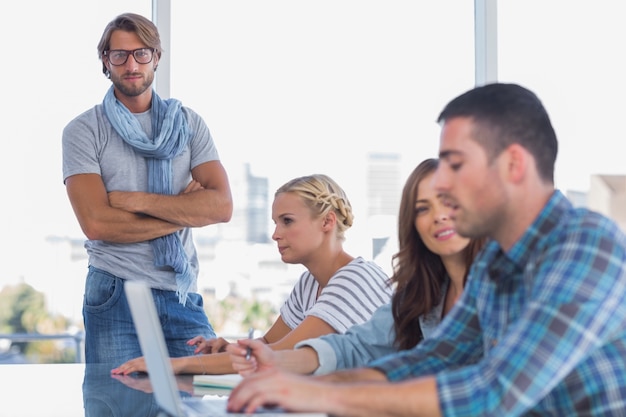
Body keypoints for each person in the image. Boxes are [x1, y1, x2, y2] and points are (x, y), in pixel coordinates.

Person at [226, 83, 626, 416]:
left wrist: (319, 395)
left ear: (513, 165)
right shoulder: (495, 266)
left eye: (455, 164)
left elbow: (493, 392)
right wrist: (287, 388)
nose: (445, 187)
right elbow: (429, 360)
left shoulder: (588, 243)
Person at [62, 12, 233, 365]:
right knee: (119, 402)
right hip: (115, 290)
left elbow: (220, 207)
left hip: (180, 291)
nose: (131, 63)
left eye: (142, 53)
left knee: (199, 396)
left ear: (156, 57)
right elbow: (98, 225)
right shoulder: (83, 130)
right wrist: (184, 213)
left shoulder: (188, 123)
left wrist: (133, 201)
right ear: (105, 63)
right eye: (119, 55)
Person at [112, 173, 393, 375]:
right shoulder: (310, 283)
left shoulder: (355, 280)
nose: (275, 234)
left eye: (287, 221)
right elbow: (268, 344)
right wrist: (228, 349)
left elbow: (278, 355)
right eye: (275, 222)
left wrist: (171, 364)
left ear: (327, 222)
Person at [227, 158, 485, 377]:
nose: (439, 216)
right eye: (423, 208)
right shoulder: (420, 295)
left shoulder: (507, 289)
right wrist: (273, 361)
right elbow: (354, 348)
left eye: (449, 202)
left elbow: (481, 388)